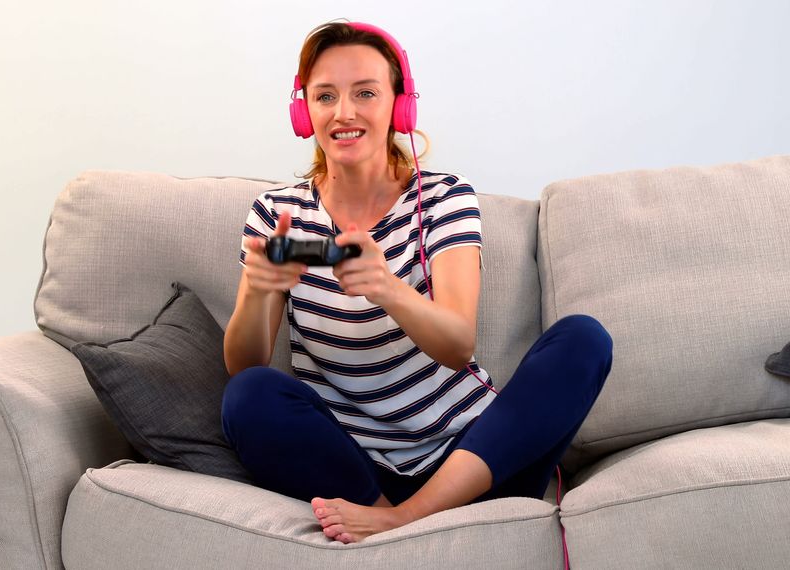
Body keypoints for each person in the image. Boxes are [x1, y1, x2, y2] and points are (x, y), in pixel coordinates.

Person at [220, 20, 613, 544]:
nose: (344, 113)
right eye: (325, 96)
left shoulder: (444, 199)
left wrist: (386, 286)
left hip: (472, 463)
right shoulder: (277, 212)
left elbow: (456, 345)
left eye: (366, 93)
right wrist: (258, 287)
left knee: (584, 340)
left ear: (399, 105)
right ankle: (385, 515)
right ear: (303, 110)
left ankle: (403, 525)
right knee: (249, 394)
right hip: (355, 470)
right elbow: (244, 364)